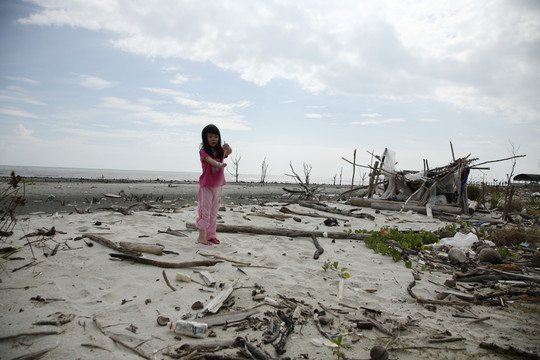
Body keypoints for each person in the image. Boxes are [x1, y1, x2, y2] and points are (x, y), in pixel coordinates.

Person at [196, 124, 232, 245]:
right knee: (205, 212)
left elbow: (229, 152)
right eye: (210, 136)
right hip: (206, 186)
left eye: (216, 136)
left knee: (213, 212)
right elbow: (210, 160)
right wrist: (219, 165)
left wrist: (228, 147)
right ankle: (201, 237)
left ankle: (210, 235)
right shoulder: (203, 151)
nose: (213, 138)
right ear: (205, 138)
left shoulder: (220, 151)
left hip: (218, 186)